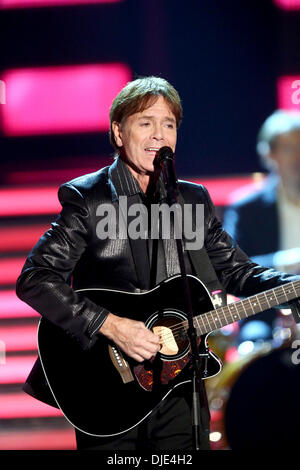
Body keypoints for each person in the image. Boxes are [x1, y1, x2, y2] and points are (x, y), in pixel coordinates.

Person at [16, 77, 300, 451]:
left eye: (168, 124)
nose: (159, 134)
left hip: (181, 384)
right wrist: (113, 326)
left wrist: (291, 289)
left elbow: (237, 271)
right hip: (106, 386)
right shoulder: (89, 198)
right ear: (119, 132)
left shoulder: (192, 201)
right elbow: (35, 278)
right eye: (145, 122)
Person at [223, 110, 300, 331]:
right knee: (254, 340)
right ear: (269, 155)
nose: (297, 156)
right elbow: (231, 271)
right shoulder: (246, 207)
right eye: (288, 148)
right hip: (266, 316)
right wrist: (288, 261)